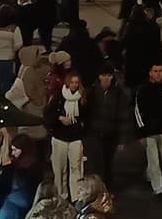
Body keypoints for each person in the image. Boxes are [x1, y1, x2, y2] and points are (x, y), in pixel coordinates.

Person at [45, 70, 89, 200]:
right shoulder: (58, 97)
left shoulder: (83, 98)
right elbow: (47, 114)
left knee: (77, 168)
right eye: (72, 82)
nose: (74, 85)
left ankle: (76, 196)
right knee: (59, 169)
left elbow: (88, 116)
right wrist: (60, 118)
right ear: (67, 83)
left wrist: (81, 125)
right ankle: (61, 195)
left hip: (76, 137)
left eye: (76, 82)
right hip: (60, 137)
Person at [87, 65, 129, 190]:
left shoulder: (118, 93)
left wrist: (122, 140)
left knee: (108, 164)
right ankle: (97, 190)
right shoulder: (92, 92)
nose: (106, 78)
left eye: (109, 76)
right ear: (99, 77)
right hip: (95, 135)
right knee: (96, 164)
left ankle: (107, 189)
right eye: (103, 75)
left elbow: (124, 116)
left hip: (111, 135)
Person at [135, 63, 162, 197]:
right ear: (150, 73)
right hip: (150, 132)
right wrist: (141, 133)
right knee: (154, 159)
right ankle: (158, 188)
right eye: (155, 71)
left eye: (160, 71)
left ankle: (148, 174)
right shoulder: (143, 89)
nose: (158, 73)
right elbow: (138, 112)